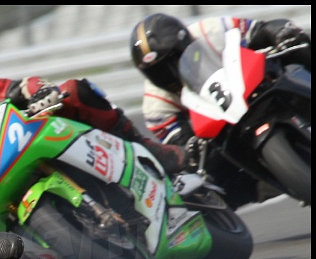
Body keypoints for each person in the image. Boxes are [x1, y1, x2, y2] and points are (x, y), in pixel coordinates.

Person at [0, 49, 190, 195]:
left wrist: (38, 91)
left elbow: (16, 89)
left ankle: (146, 148)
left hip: (16, 151)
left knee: (73, 92)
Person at [129, 13, 311, 208]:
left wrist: (280, 34)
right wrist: (190, 149)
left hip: (259, 84)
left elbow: (262, 30)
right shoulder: (155, 105)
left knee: (297, 46)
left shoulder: (212, 30)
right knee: (205, 184)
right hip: (228, 133)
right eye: (158, 71)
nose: (170, 72)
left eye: (174, 60)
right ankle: (274, 180)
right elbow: (181, 148)